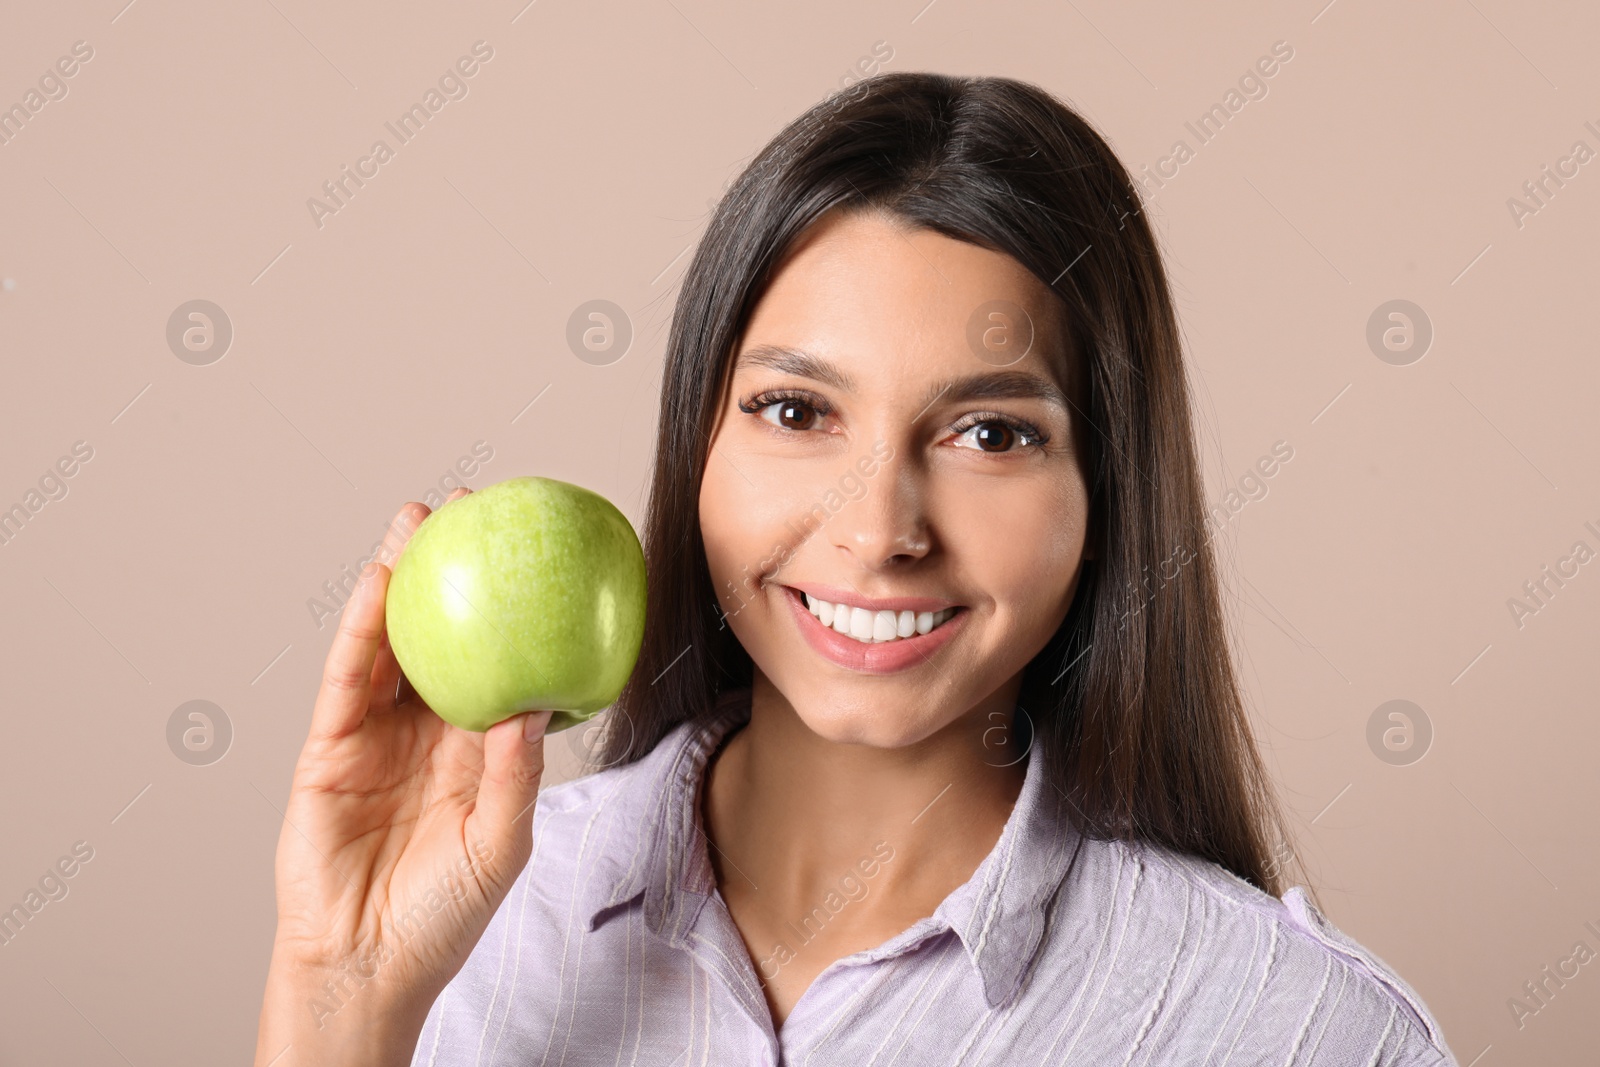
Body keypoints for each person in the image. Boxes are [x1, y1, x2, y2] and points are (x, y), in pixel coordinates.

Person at [253, 72, 1460, 1066]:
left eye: (990, 433)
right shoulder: (466, 936)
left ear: (1105, 493)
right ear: (697, 447)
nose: (879, 525)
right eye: (794, 410)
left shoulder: (1304, 1034)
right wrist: (342, 992)